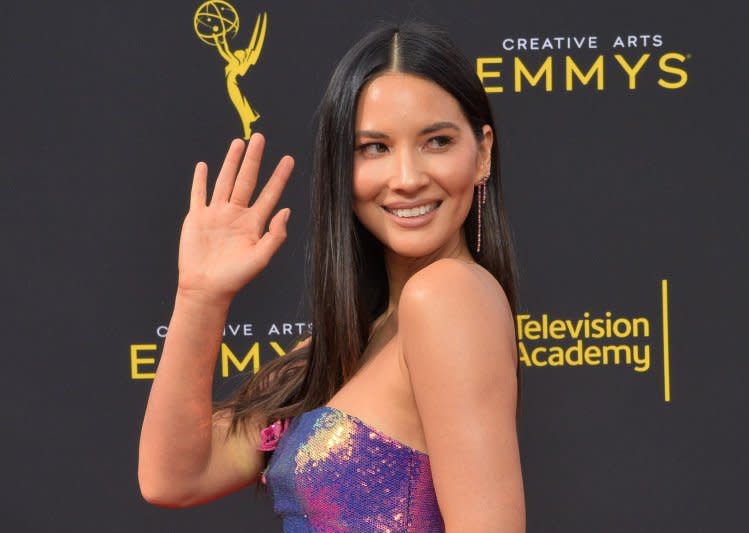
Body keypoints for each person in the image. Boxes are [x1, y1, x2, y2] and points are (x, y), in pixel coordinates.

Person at [139, 21, 525, 532]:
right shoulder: (337, 348)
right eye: (374, 148)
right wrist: (200, 296)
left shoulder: (447, 296)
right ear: (341, 167)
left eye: (436, 141)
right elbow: (174, 478)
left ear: (482, 153)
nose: (407, 178)